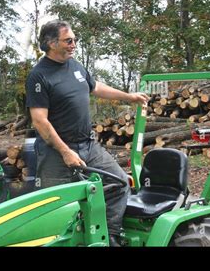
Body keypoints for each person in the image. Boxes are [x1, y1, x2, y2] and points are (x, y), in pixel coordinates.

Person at [25, 19, 149, 246]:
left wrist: (129, 96)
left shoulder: (76, 66)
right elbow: (39, 121)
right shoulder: (39, 75)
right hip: (56, 152)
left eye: (75, 40)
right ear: (51, 43)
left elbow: (96, 87)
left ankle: (108, 236)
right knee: (55, 206)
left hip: (89, 146)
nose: (74, 44)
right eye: (68, 40)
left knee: (119, 184)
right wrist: (65, 152)